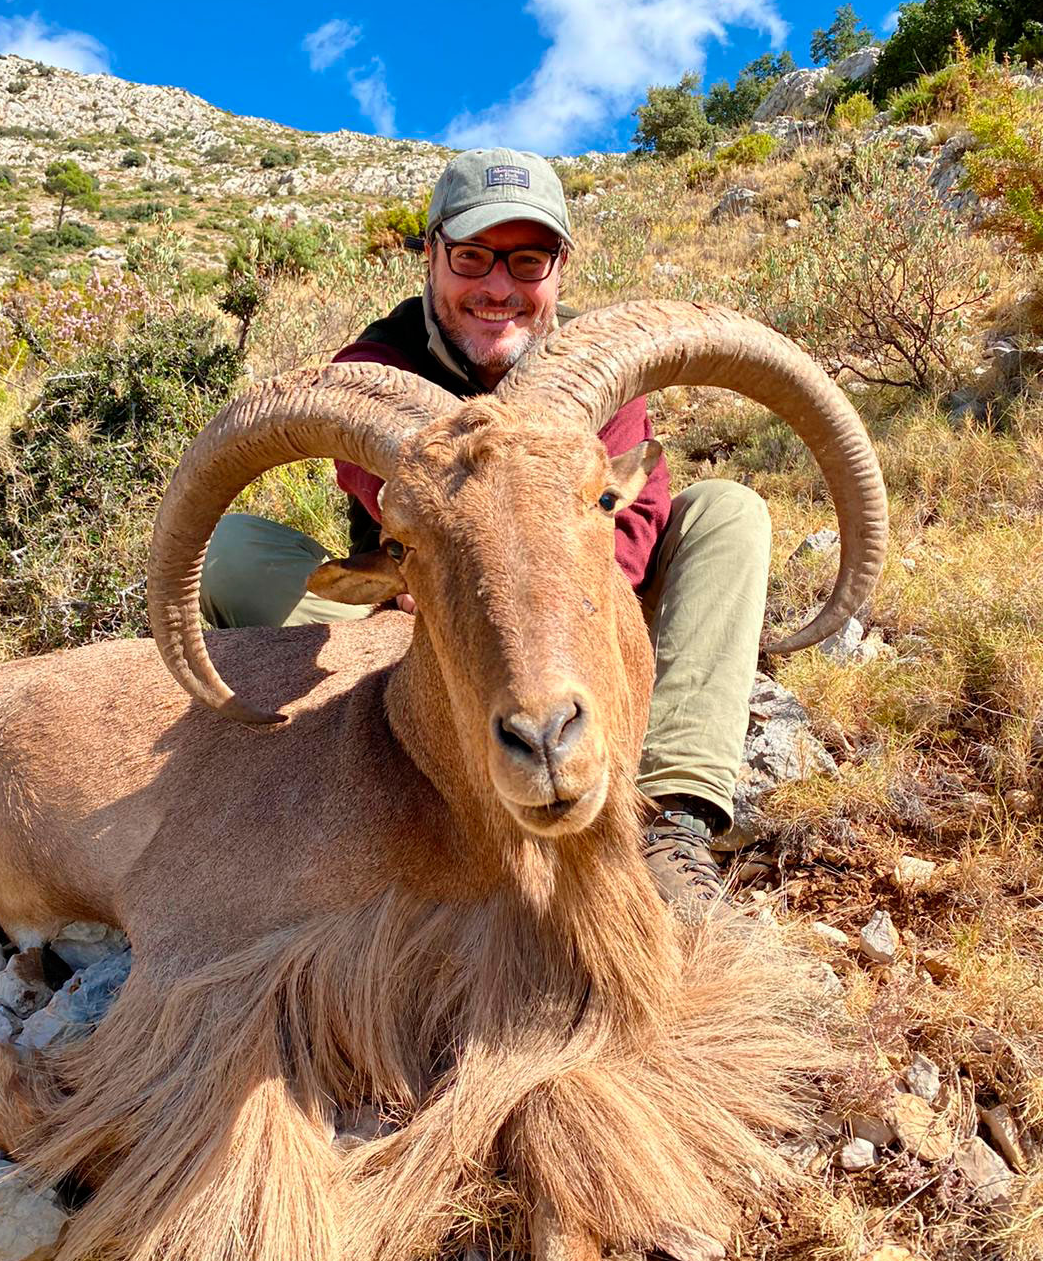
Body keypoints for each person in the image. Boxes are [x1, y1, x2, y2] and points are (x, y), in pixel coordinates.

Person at [200, 149, 771, 911]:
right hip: (421, 600)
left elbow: (632, 526)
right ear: (431, 255)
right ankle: (391, 753)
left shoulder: (596, 366)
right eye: (472, 257)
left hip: (587, 599)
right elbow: (384, 495)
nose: (499, 286)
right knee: (232, 550)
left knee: (728, 512)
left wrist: (547, 597)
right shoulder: (375, 369)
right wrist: (441, 563)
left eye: (527, 261)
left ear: (560, 269)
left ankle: (674, 817)